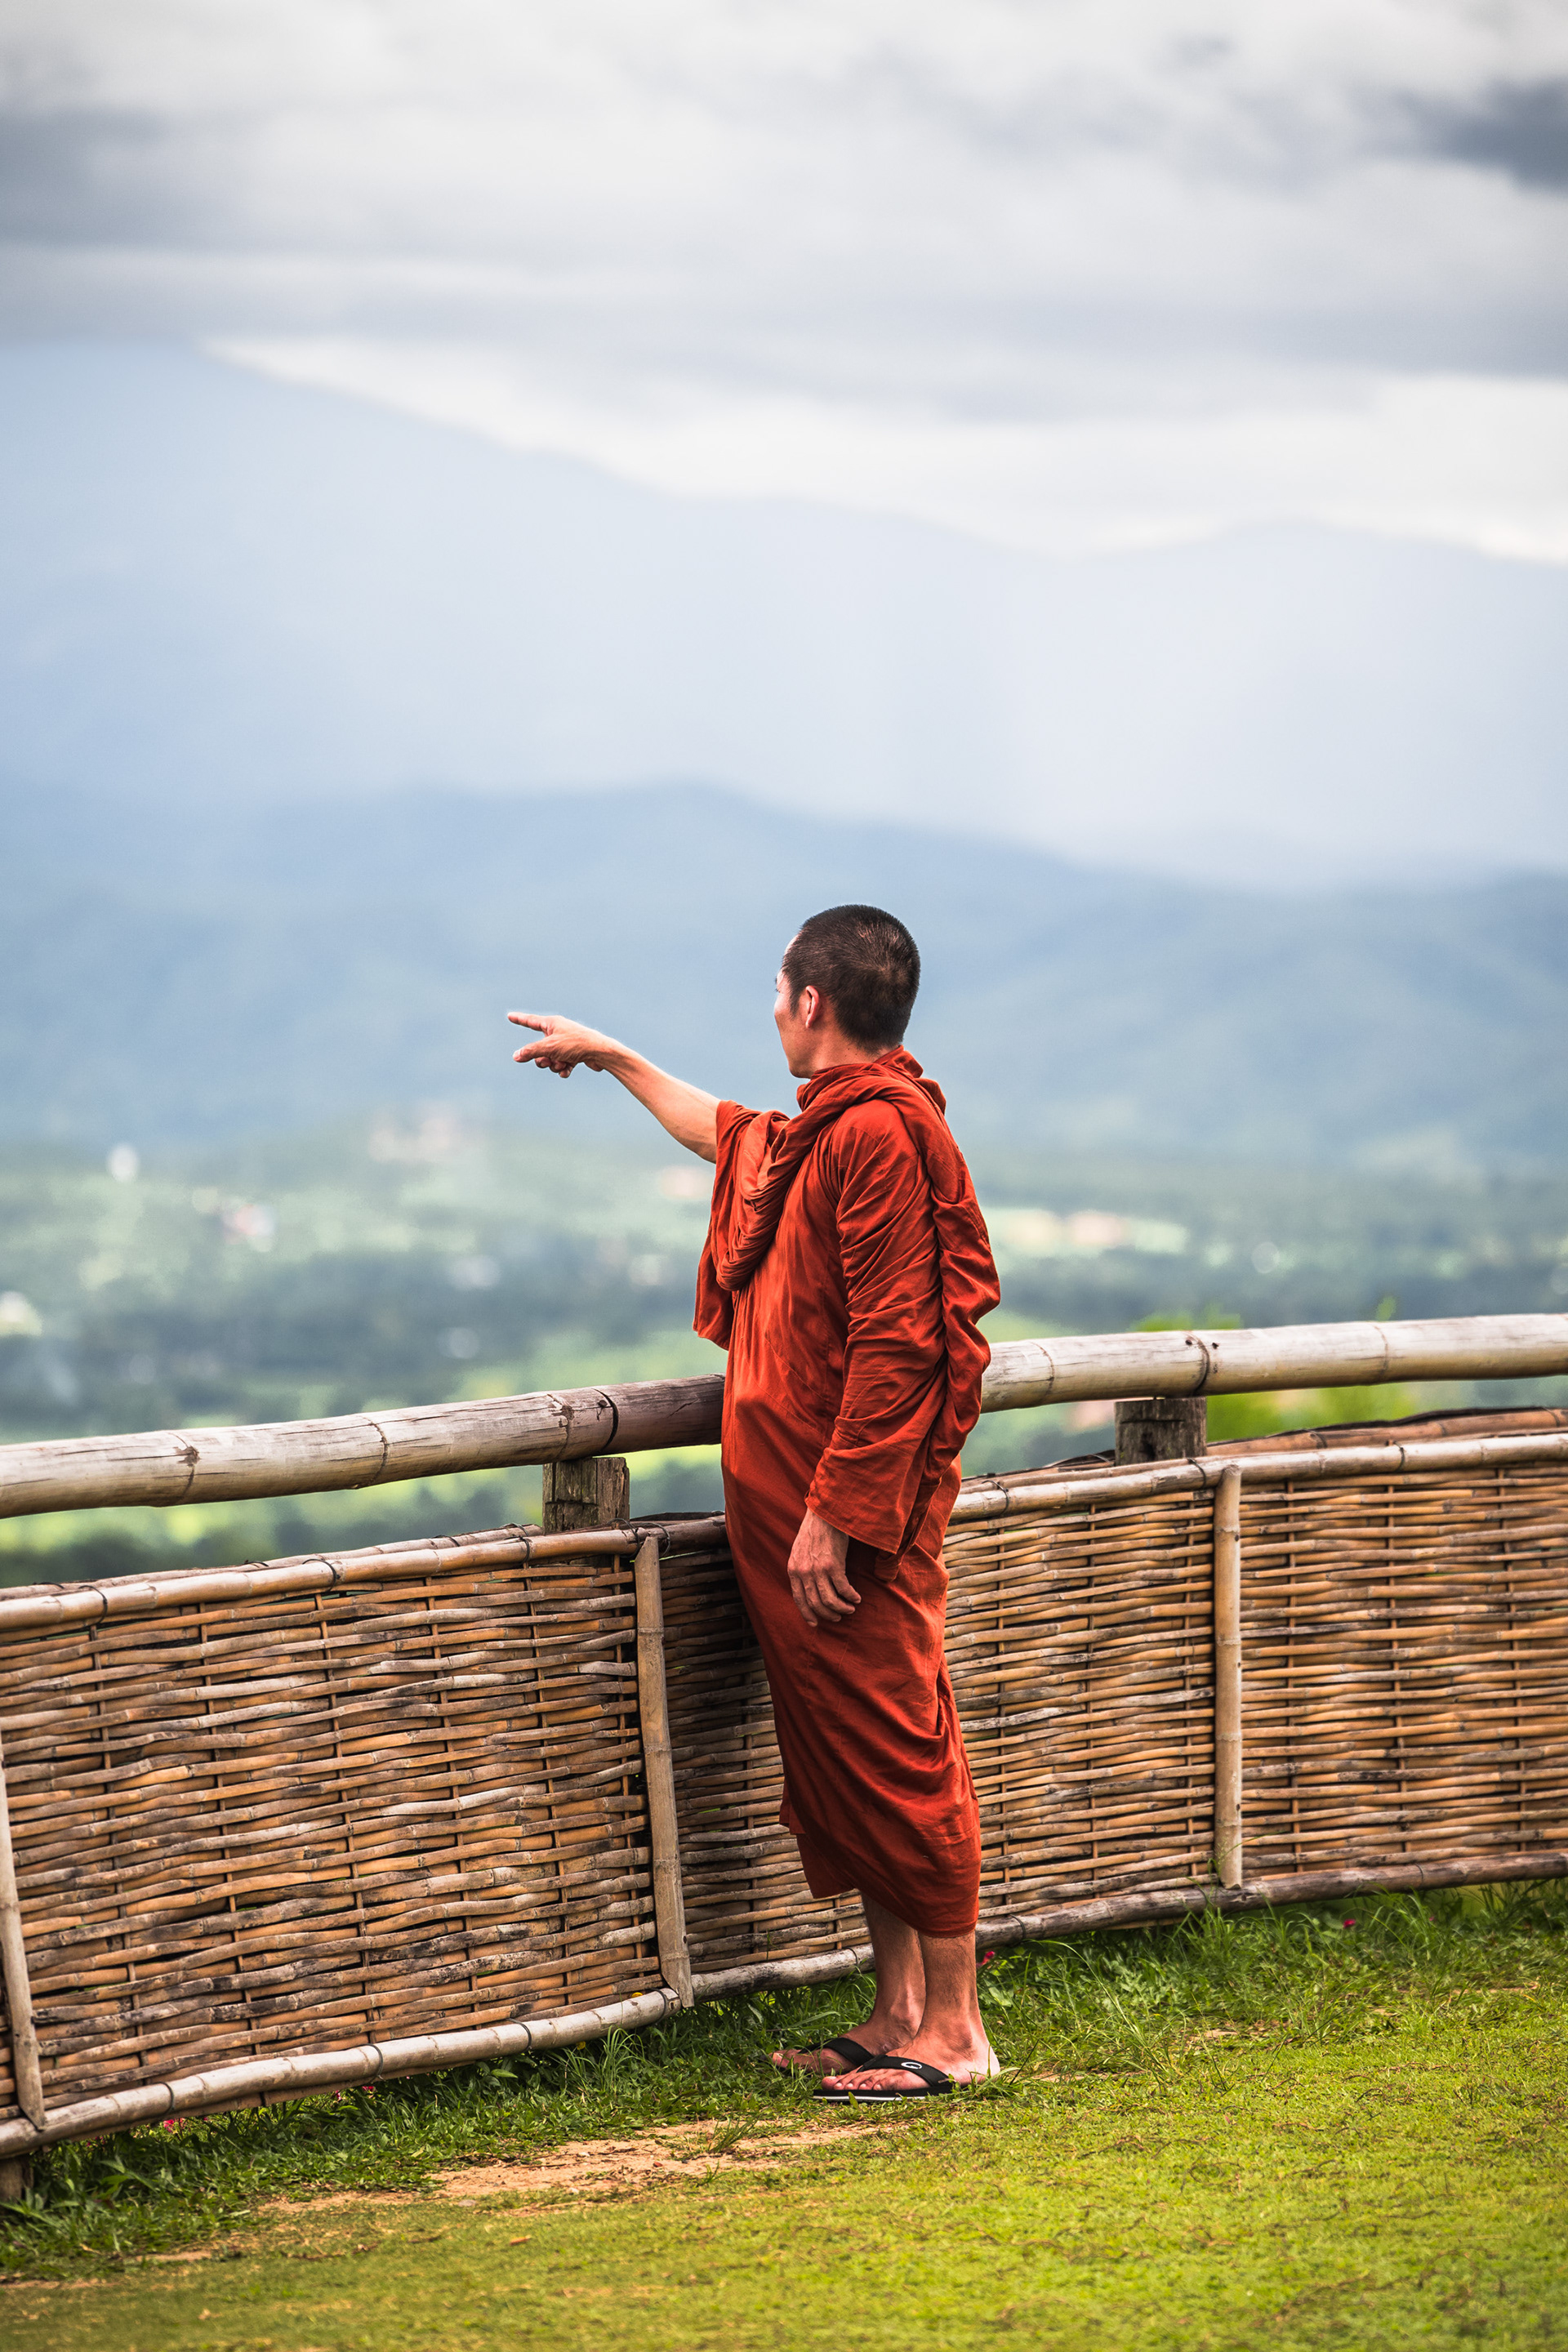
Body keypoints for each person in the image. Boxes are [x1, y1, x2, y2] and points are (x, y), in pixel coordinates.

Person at [509, 903, 1001, 2100]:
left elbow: (900, 1342)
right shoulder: (825, 1129)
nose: (773, 1010)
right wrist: (615, 1058)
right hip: (796, 1520)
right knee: (842, 1758)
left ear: (810, 1002)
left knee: (900, 1748)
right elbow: (727, 1136)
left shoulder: (879, 1136)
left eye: (779, 993)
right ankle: (896, 2013)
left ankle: (957, 2032)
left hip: (847, 1525)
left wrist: (839, 1511)